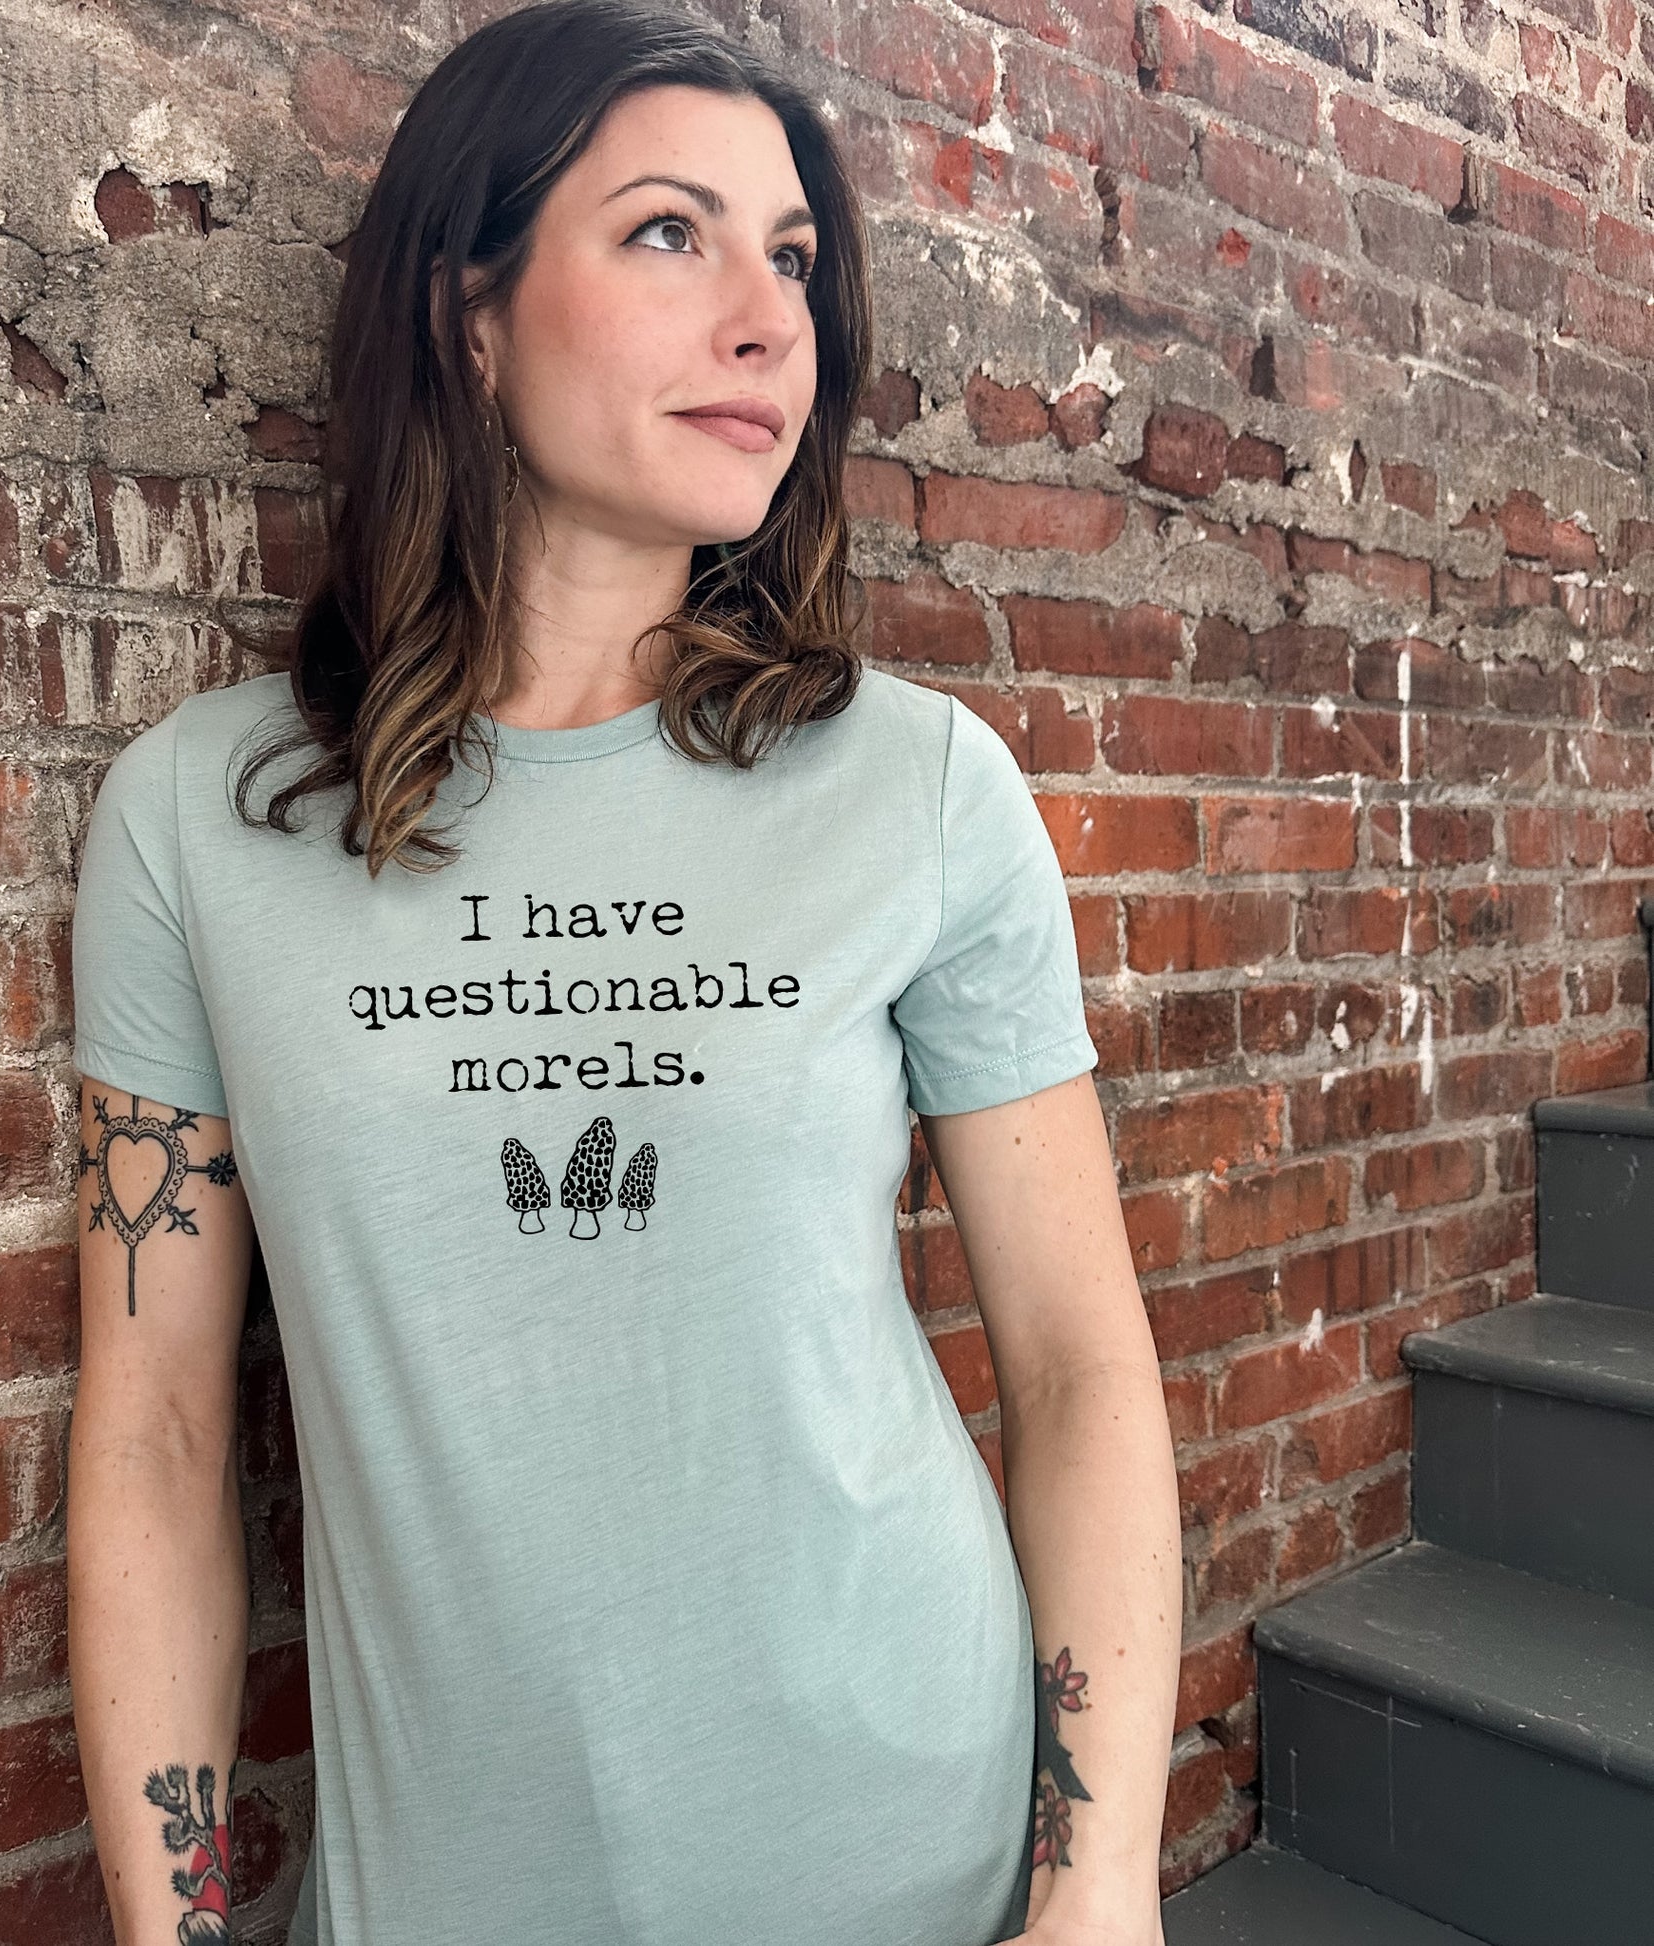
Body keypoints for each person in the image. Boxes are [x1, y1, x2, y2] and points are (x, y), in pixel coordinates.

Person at [66, 4, 1181, 1943]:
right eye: (671, 233)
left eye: (796, 259)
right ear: (466, 312)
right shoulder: (200, 819)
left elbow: (1080, 1367)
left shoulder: (915, 788)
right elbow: (156, 1436)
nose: (768, 316)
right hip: (440, 1884)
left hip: (899, 1838)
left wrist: (1097, 1888)